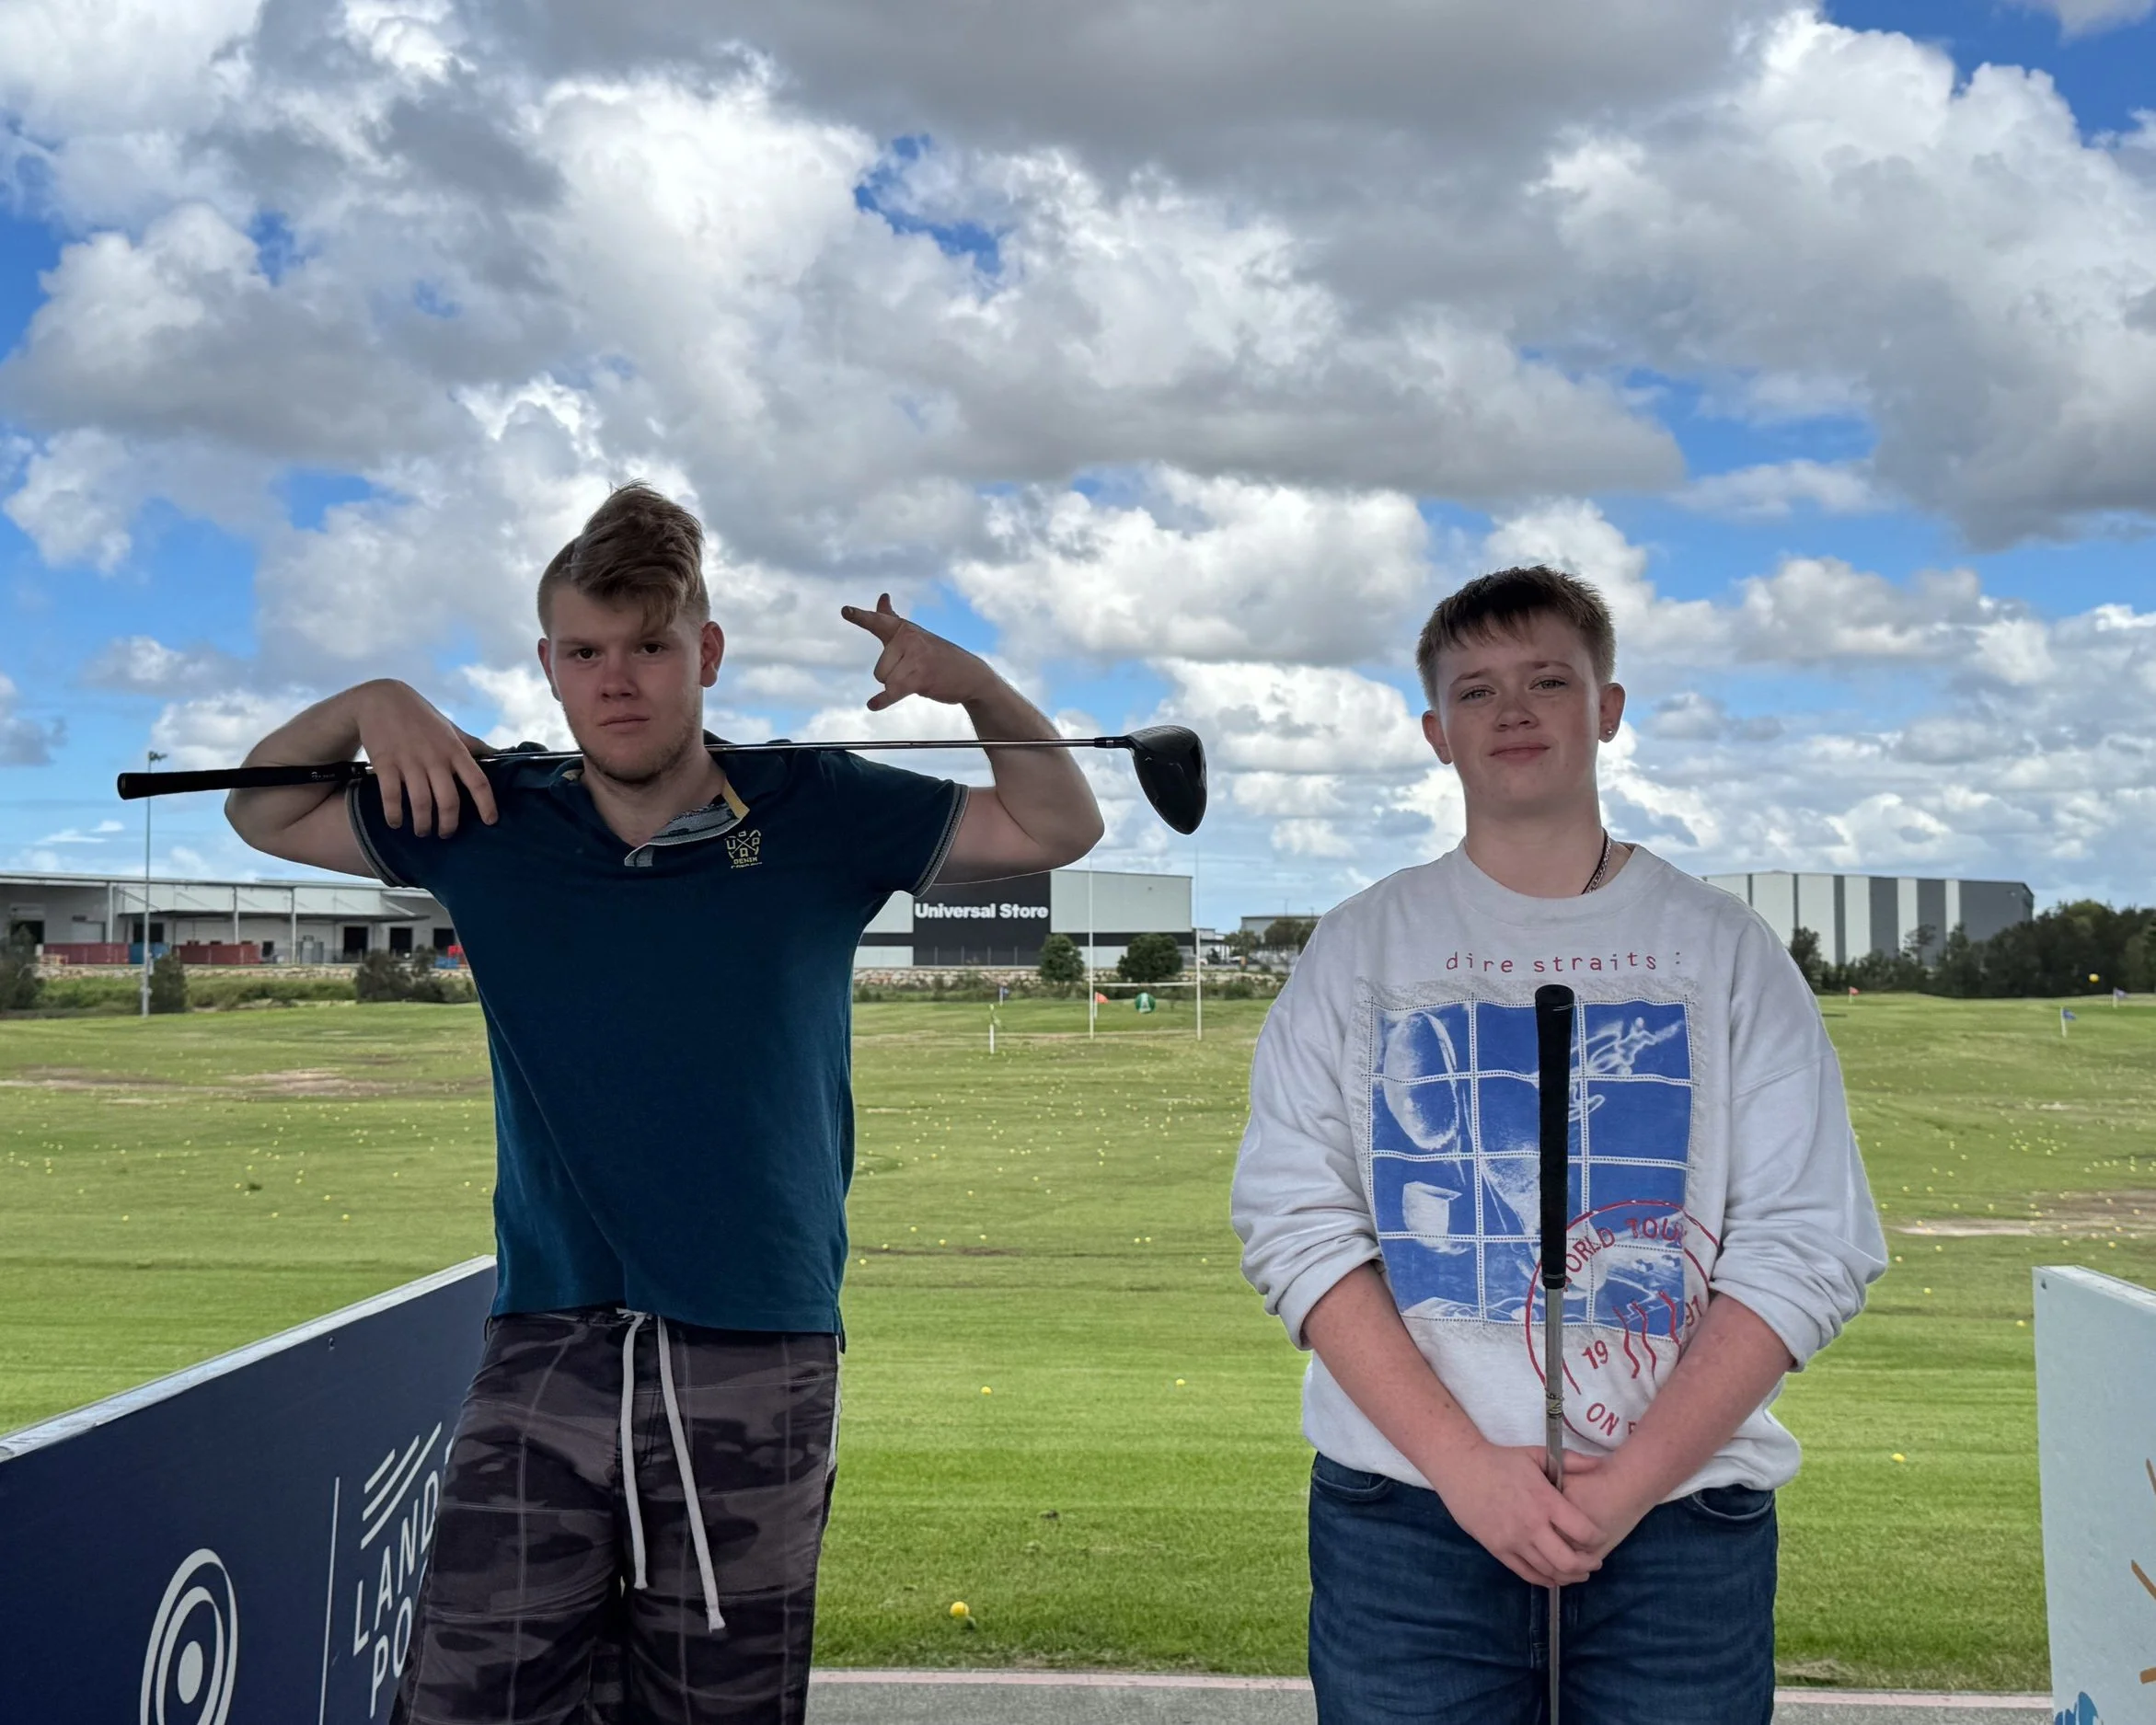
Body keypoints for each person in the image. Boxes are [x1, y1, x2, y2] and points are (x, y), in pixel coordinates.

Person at [224, 481, 1103, 1725]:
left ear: (705, 652)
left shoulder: (816, 807)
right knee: (467, 1695)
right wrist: (373, 703)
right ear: (547, 664)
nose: (616, 678)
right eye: (584, 651)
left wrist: (971, 686)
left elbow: (1056, 821)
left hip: (757, 1338)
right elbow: (261, 809)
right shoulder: (484, 811)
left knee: (716, 1706)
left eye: (647, 646)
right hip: (547, 1333)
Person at [1230, 566, 1885, 1723]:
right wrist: (1466, 1469)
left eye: (1549, 680)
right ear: (1437, 734)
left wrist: (1628, 1485)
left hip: (1682, 1522)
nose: (1515, 710)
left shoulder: (1722, 951)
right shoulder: (1360, 950)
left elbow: (1807, 1246)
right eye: (1477, 691)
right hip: (1409, 1520)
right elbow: (1297, 1225)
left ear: (1608, 708)